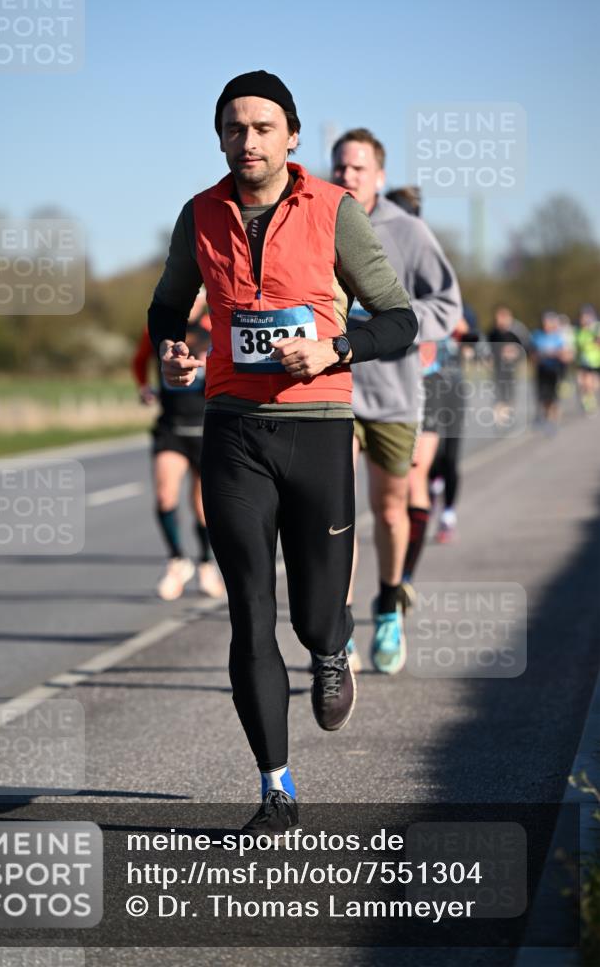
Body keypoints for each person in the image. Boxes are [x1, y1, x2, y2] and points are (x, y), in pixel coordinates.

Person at [148, 72, 417, 834]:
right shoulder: (199, 214)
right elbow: (168, 304)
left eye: (263, 127)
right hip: (233, 429)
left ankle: (332, 648)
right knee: (249, 612)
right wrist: (172, 350)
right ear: (220, 137)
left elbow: (397, 321)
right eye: (235, 128)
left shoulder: (333, 209)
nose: (248, 141)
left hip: (319, 428)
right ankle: (276, 787)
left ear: (291, 135)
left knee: (311, 615)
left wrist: (334, 347)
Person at [332, 131, 461, 675]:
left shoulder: (408, 231)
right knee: (334, 518)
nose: (348, 176)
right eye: (340, 166)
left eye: (359, 168)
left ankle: (388, 605)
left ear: (379, 176)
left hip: (391, 392)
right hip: (331, 393)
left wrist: (396, 329)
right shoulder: (318, 220)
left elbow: (448, 306)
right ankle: (337, 630)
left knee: (388, 510)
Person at [132, 297, 224, 600]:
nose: (192, 298)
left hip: (205, 426)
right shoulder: (161, 330)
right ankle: (177, 561)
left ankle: (206, 564)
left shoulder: (215, 325)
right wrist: (144, 388)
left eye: (197, 292)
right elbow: (139, 360)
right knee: (164, 496)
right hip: (171, 426)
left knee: (202, 508)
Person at [487, 305, 531, 427]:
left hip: (512, 368)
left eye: (502, 317)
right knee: (498, 392)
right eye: (498, 318)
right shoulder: (492, 332)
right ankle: (500, 418)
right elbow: (487, 347)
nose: (500, 320)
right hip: (497, 368)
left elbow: (526, 348)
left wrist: (515, 353)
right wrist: (489, 358)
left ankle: (507, 412)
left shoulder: (517, 331)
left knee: (509, 392)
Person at [531, 311, 574, 429]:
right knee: (543, 396)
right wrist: (538, 356)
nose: (546, 325)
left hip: (555, 369)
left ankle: (552, 417)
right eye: (545, 322)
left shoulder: (558, 336)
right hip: (542, 369)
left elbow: (567, 355)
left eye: (549, 322)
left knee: (553, 395)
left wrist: (556, 353)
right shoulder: (537, 335)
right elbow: (532, 353)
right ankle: (547, 415)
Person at [575, 304, 600, 415]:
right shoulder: (579, 330)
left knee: (589, 383)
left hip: (594, 360)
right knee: (580, 382)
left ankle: (590, 401)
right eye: (582, 316)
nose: (583, 319)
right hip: (583, 360)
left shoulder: (596, 327)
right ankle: (587, 400)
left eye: (586, 316)